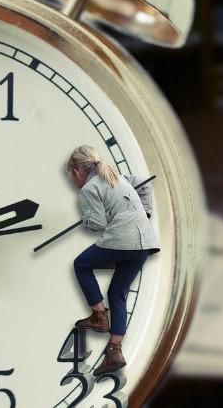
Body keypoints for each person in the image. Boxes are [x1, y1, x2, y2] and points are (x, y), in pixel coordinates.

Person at [66, 145, 159, 376]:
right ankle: (114, 351)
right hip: (145, 242)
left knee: (81, 265)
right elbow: (143, 181)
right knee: (118, 292)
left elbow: (96, 225)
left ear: (76, 171)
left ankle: (99, 316)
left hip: (121, 239)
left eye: (70, 173)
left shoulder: (87, 190)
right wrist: (145, 213)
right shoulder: (117, 176)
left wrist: (86, 218)